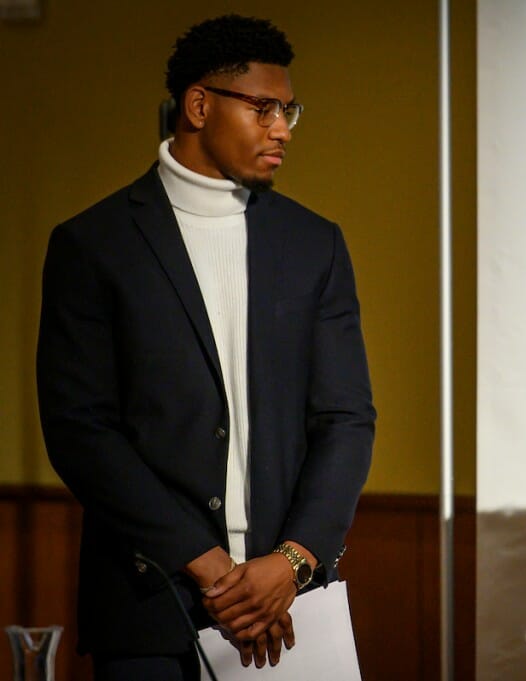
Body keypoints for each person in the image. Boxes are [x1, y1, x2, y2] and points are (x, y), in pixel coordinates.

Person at [36, 14, 375, 681]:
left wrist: (293, 559)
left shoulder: (315, 245)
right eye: (263, 108)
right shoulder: (93, 244)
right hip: (149, 602)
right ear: (198, 106)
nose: (281, 128)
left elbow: (345, 418)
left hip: (291, 604)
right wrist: (208, 562)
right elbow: (81, 428)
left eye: (288, 110)